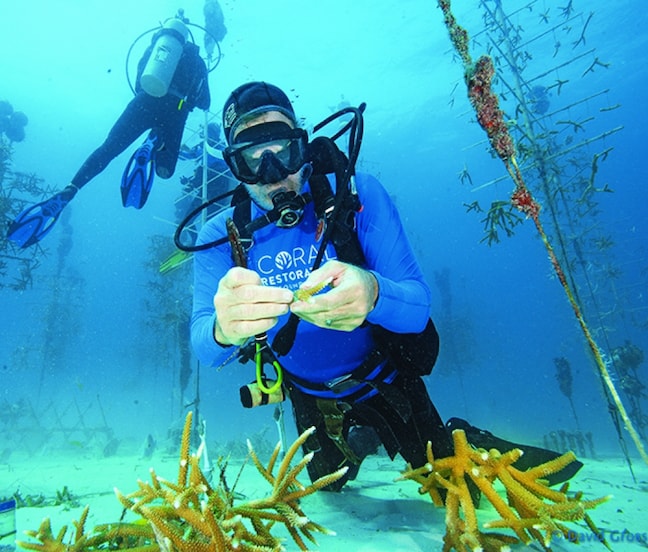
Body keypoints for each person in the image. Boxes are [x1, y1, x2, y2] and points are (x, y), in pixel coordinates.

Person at [190, 81, 581, 493]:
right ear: (233, 166)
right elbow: (203, 345)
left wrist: (374, 293)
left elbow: (417, 307)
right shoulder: (222, 235)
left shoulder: (356, 195)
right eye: (252, 159)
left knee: (450, 481)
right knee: (328, 488)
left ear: (301, 148)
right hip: (305, 395)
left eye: (283, 152)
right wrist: (224, 329)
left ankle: (467, 439)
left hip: (384, 378)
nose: (273, 175)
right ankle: (349, 445)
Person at [7, 14, 211, 249]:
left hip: (143, 102)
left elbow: (139, 80)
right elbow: (204, 100)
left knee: (109, 148)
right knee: (165, 169)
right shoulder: (196, 61)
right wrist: (187, 101)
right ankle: (155, 142)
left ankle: (72, 188)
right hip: (174, 109)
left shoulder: (157, 48)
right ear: (188, 35)